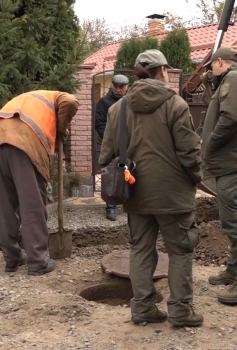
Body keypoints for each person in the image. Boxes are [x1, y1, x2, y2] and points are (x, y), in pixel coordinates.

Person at [98, 49, 203, 327]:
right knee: (180, 251)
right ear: (163, 71)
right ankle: (180, 311)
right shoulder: (176, 104)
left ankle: (142, 308)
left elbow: (105, 156)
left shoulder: (117, 108)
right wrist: (196, 178)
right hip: (174, 196)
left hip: (135, 194)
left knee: (141, 250)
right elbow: (190, 153)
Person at [0, 90, 78, 276]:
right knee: (31, 204)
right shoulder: (56, 96)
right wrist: (62, 128)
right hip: (23, 142)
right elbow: (71, 100)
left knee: (2, 206)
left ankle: (12, 258)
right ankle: (37, 261)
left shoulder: (25, 99)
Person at [200, 47, 237, 304]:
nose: (210, 72)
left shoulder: (234, 78)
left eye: (211, 67)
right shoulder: (234, 80)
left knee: (233, 221)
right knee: (229, 218)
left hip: (231, 161)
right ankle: (235, 269)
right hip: (231, 161)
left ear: (220, 62)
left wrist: (210, 144)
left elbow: (231, 117)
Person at [95, 74, 130, 221]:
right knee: (111, 176)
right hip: (111, 144)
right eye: (115, 86)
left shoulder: (131, 102)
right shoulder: (104, 102)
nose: (118, 90)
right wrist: (111, 139)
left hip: (128, 145)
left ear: (127, 87)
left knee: (130, 174)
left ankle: (130, 205)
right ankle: (111, 208)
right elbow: (100, 124)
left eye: (121, 87)